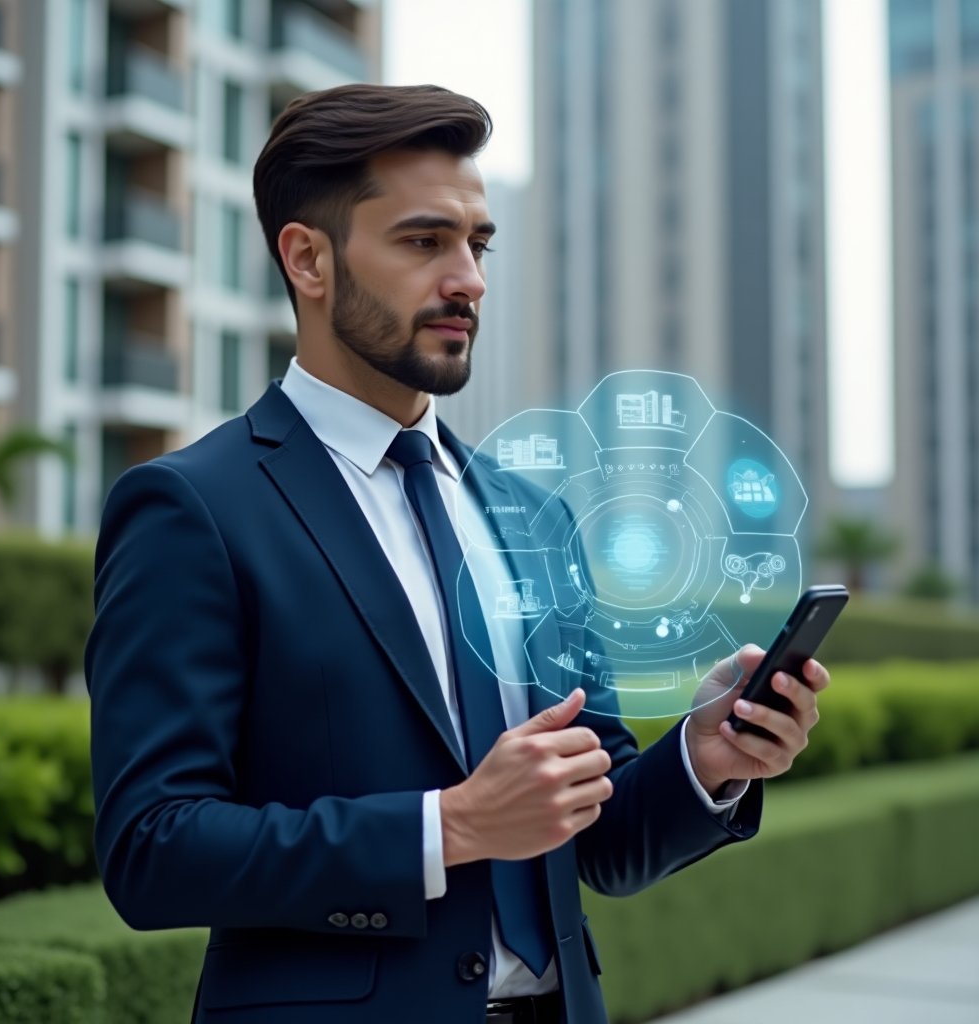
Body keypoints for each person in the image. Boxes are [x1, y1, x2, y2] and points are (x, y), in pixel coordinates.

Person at [85, 84, 830, 1024]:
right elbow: (152, 848)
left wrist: (704, 758)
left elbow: (598, 841)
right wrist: (449, 827)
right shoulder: (193, 507)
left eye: (478, 244)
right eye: (424, 241)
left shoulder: (535, 517)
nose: (469, 279)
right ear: (307, 259)